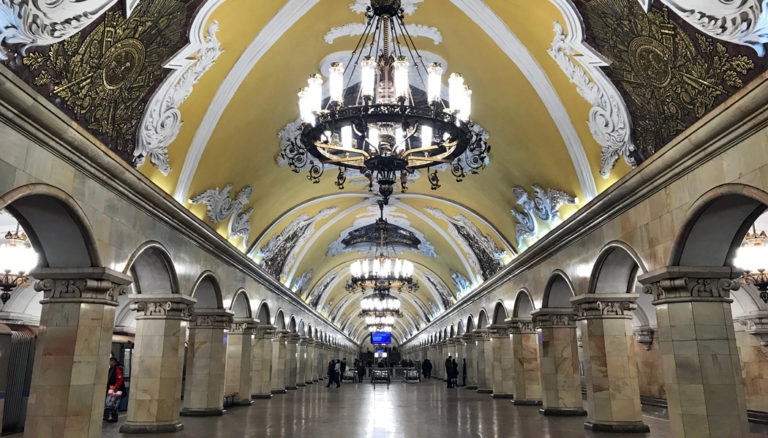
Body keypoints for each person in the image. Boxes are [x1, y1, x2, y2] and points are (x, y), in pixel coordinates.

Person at [104, 357, 125, 422]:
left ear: (113, 362)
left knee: (111, 403)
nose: (109, 363)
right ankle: (108, 416)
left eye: (110, 362)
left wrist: (116, 387)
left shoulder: (117, 369)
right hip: (112, 388)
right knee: (111, 403)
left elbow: (119, 379)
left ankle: (110, 417)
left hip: (115, 389)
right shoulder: (112, 369)